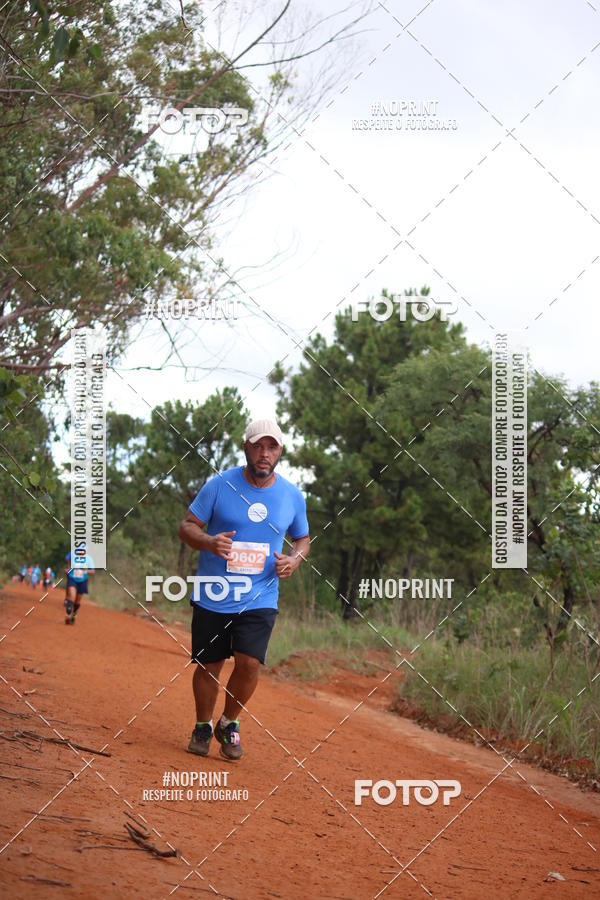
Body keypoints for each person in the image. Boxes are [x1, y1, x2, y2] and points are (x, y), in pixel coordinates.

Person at [178, 419, 310, 761]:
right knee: (210, 664)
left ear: (280, 451)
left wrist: (294, 561)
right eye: (258, 446)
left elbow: (302, 539)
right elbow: (187, 526)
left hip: (260, 594)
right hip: (215, 591)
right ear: (245, 448)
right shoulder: (219, 485)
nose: (265, 454)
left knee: (250, 663)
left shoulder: (292, 496)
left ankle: (229, 723)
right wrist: (208, 542)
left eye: (272, 447)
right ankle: (203, 726)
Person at [64, 549, 95, 624]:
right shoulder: (73, 555)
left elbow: (93, 571)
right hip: (72, 579)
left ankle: (74, 614)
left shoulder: (89, 559)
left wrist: (86, 571)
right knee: (72, 596)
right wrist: (67, 569)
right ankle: (68, 614)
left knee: (77, 601)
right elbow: (68, 563)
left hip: (83, 581)